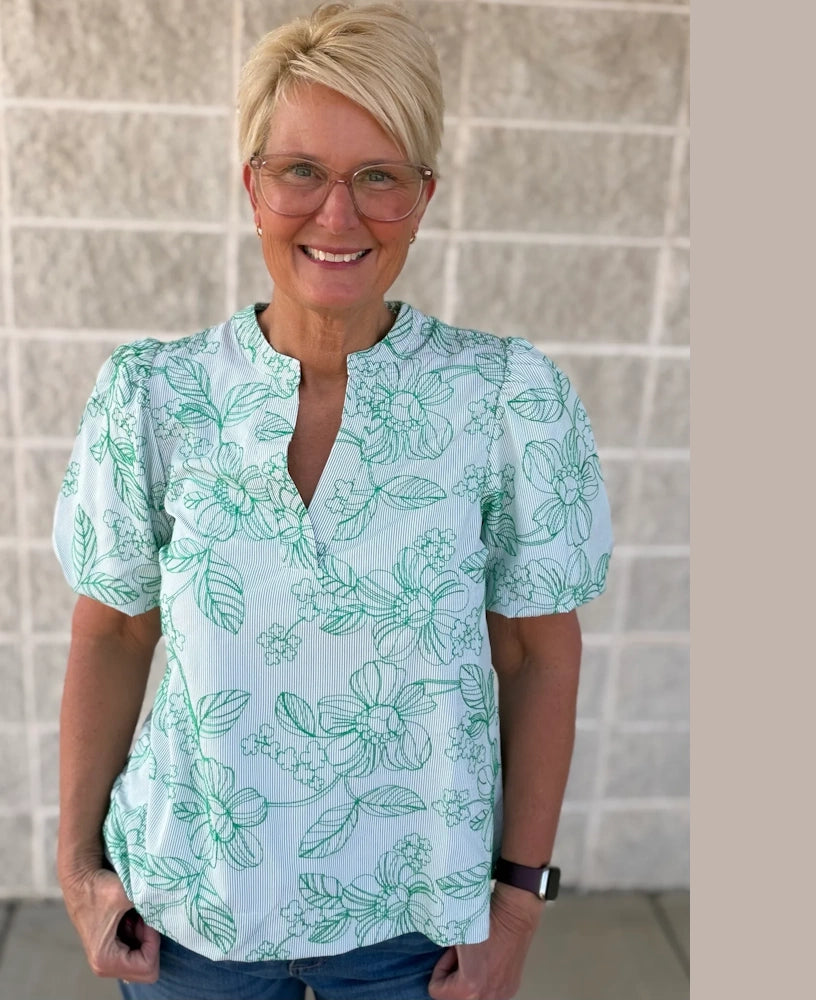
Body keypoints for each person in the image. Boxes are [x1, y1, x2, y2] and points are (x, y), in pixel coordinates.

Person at [52, 4, 612, 998]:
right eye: (300, 171)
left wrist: (519, 898)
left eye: (379, 175)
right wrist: (75, 867)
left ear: (424, 193)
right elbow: (112, 634)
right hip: (189, 912)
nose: (337, 216)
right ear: (251, 184)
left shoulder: (505, 398)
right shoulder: (154, 395)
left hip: (417, 922)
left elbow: (536, 649)